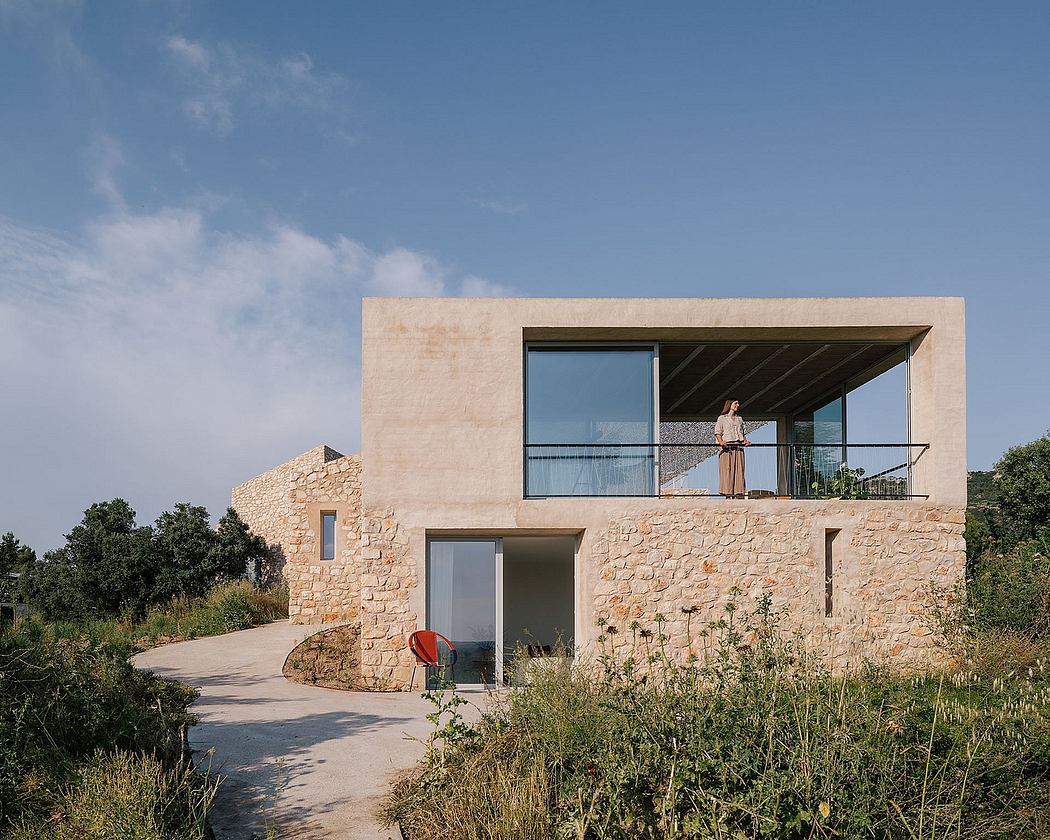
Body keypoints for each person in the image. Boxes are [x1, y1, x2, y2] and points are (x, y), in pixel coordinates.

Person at [714, 399, 750, 498]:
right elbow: (718, 432)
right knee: (727, 470)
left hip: (738, 447)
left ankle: (737, 494)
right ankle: (727, 494)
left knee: (739, 470)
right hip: (727, 447)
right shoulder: (722, 418)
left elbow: (742, 433)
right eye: (735, 403)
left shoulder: (739, 419)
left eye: (738, 403)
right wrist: (721, 442)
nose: (738, 405)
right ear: (729, 405)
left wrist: (745, 441)